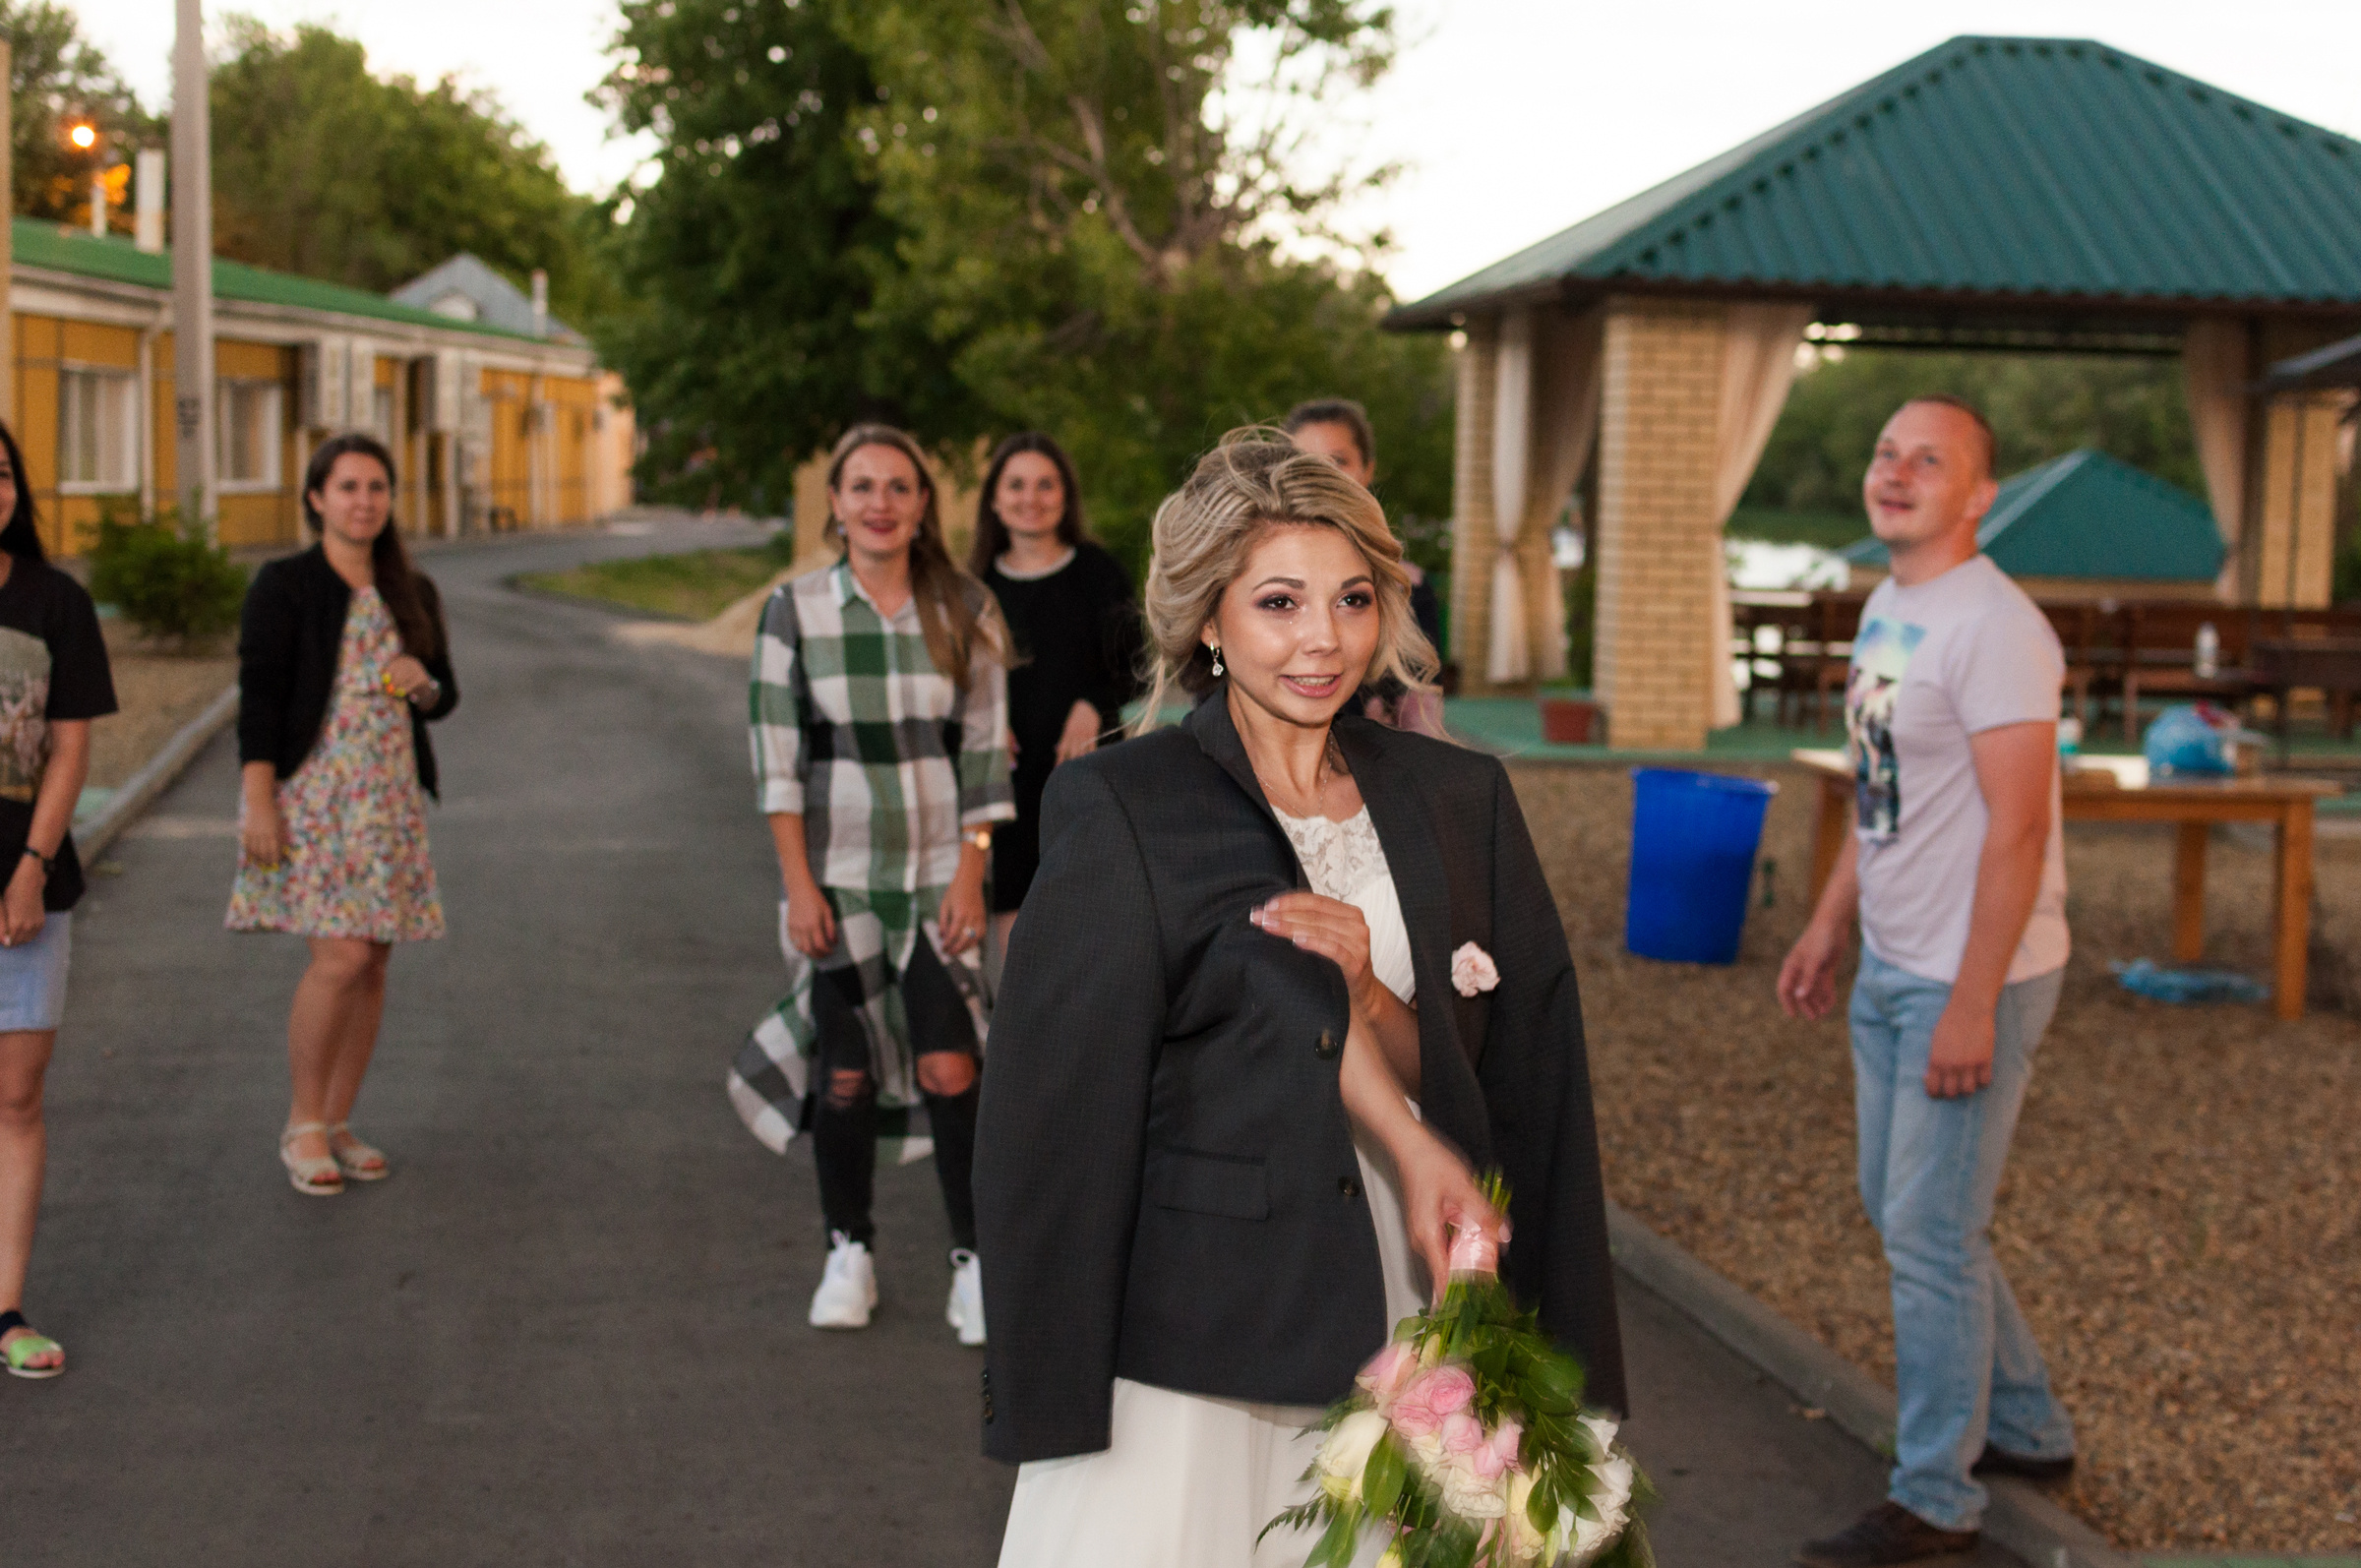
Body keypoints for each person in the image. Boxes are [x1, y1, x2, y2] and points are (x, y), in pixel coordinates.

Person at [977, 430, 1624, 1567]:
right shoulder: (1127, 806)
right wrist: (1050, 1373)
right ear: (1209, 619)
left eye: (1352, 598)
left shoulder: (1458, 799)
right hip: (1195, 1326)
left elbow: (1520, 1079)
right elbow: (1055, 1113)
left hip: (1407, 1285)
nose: (1324, 638)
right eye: (1280, 601)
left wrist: (1372, 989)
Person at [1778, 396, 2075, 1568]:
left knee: (1929, 1230)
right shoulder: (1893, 604)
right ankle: (2027, 1426)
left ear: (1979, 494)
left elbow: (2018, 830)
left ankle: (1938, 1498)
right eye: (1886, 450)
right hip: (1893, 959)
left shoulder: (1998, 629)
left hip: (1973, 974)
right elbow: (1880, 788)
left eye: (1930, 460)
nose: (1896, 472)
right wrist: (1825, 921)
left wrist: (1969, 998)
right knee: (1911, 1211)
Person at [733, 423, 1014, 1343]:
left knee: (949, 1062)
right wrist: (798, 885)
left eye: (899, 486)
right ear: (838, 505)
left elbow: (982, 759)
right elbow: (777, 765)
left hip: (938, 874)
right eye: (862, 487)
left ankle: (972, 1262)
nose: (881, 502)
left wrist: (972, 873)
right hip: (840, 879)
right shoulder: (795, 611)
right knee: (845, 1073)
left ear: (924, 504)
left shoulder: (964, 607)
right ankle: (846, 1250)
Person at [228, 433, 457, 1198]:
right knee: (341, 958)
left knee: (377, 961)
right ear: (318, 499)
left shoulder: (410, 590)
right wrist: (259, 797)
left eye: (377, 488)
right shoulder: (286, 584)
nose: (365, 501)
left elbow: (442, 697)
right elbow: (258, 697)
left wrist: (418, 683)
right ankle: (301, 1123)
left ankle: (338, 1118)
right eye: (349, 487)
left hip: (387, 799)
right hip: (316, 795)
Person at [0, 419, 117, 1378]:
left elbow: (71, 747)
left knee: (17, 1096)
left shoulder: (55, 602)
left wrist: (34, 863)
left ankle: (5, 1310)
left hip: (23, 884)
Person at [968, 432, 1139, 949]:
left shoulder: (1098, 574)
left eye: (1046, 485)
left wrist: (1094, 705)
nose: (1031, 498)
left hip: (1089, 782)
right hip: (1011, 796)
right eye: (1016, 485)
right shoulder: (974, 590)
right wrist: (985, 723)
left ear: (1065, 497)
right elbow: (956, 685)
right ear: (995, 500)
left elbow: (1137, 664)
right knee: (1022, 948)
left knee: (1092, 942)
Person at [1283, 398, 1445, 740]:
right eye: (1304, 462)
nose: (1323, 474)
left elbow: (1421, 712)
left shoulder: (1406, 586)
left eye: (1338, 461)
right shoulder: (1246, 574)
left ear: (1367, 469)